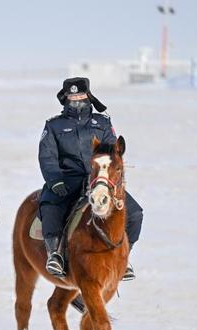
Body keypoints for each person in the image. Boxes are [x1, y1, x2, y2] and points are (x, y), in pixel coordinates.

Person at [38, 77, 143, 279]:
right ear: (65, 98)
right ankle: (56, 254)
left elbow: (113, 153)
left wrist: (109, 177)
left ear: (89, 96)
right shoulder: (54, 126)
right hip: (67, 179)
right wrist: (55, 181)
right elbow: (47, 156)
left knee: (135, 213)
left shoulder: (102, 123)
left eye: (80, 95)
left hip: (100, 179)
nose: (76, 99)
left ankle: (123, 257)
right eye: (72, 96)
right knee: (50, 207)